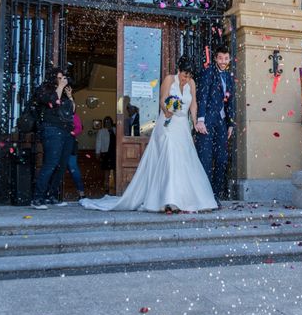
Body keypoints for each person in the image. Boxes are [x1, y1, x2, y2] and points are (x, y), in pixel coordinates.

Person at [81, 56, 217, 212]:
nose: (187, 79)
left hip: (182, 126)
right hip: (167, 124)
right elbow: (162, 99)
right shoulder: (169, 79)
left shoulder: (191, 83)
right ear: (178, 70)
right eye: (185, 75)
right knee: (170, 154)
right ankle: (169, 200)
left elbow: (193, 104)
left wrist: (195, 122)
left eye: (189, 76)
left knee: (185, 159)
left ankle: (183, 197)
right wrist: (167, 111)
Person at [195, 45, 235, 205]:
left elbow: (231, 101)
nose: (223, 61)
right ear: (216, 58)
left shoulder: (229, 76)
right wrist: (200, 119)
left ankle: (214, 195)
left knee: (222, 159)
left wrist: (231, 124)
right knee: (205, 158)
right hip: (207, 122)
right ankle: (203, 196)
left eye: (226, 58)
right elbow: (202, 96)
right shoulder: (208, 73)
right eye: (220, 58)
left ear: (229, 59)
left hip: (222, 123)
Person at [30, 68, 74, 209]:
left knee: (61, 166)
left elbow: (72, 111)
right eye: (59, 78)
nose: (62, 80)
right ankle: (37, 198)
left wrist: (70, 96)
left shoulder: (63, 92)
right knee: (50, 164)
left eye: (63, 78)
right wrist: (60, 88)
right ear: (52, 78)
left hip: (66, 131)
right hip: (51, 129)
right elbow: (52, 101)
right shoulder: (44, 89)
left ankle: (52, 196)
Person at [67, 104, 85, 200]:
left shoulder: (74, 116)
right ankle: (52, 193)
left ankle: (81, 192)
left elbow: (79, 128)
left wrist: (71, 133)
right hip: (59, 144)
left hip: (71, 144)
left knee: (73, 168)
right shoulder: (59, 114)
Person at [95, 116, 116, 194]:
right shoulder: (101, 131)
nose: (107, 123)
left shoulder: (115, 130)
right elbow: (98, 142)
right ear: (104, 123)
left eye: (109, 122)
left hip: (114, 153)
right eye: (106, 122)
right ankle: (106, 188)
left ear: (111, 122)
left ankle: (117, 187)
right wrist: (97, 152)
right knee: (106, 171)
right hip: (105, 152)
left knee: (115, 171)